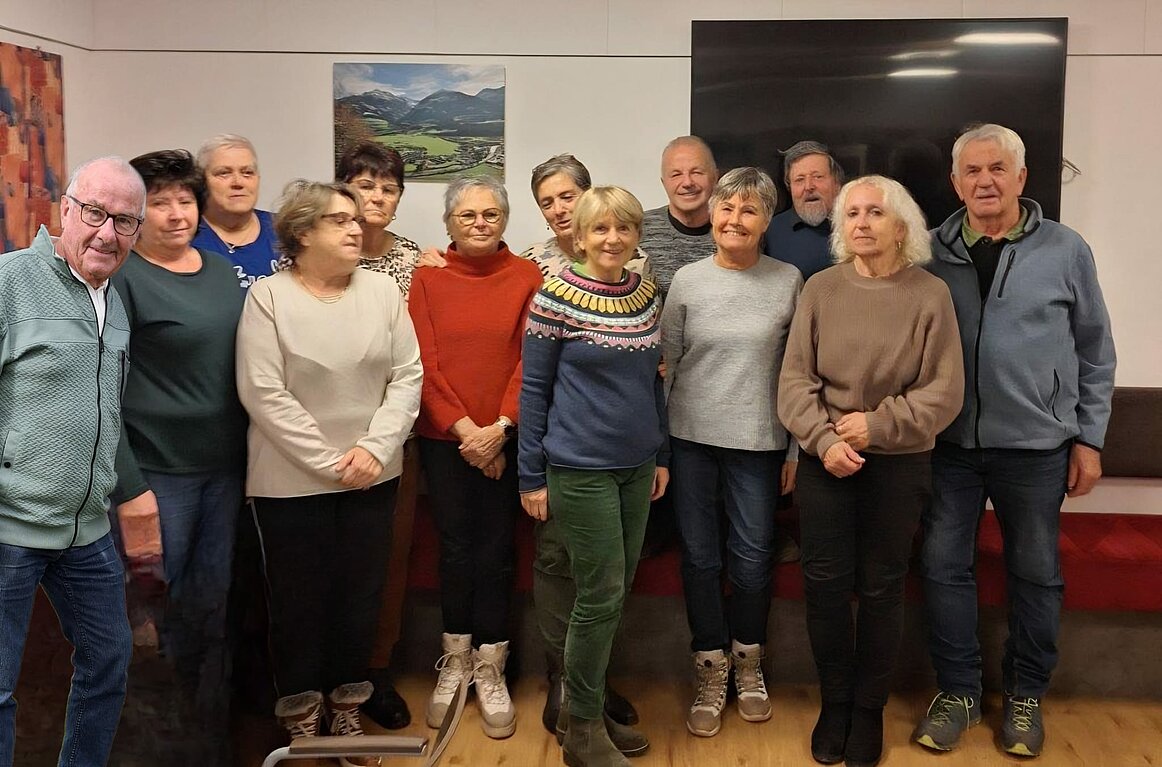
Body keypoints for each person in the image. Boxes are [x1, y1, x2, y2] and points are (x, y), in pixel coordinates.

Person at [914, 124, 1116, 759]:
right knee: (942, 565)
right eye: (972, 171)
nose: (985, 181)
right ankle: (958, 691)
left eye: (998, 168)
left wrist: (1089, 438)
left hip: (1036, 447)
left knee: (1036, 572)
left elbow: (1095, 351)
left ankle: (1026, 695)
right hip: (948, 446)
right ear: (955, 183)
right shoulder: (928, 251)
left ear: (1022, 178)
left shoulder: (1066, 249)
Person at [778, 175, 964, 767]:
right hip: (826, 462)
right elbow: (794, 381)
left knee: (883, 588)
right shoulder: (820, 288)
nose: (861, 223)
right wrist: (823, 440)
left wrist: (878, 426)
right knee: (825, 587)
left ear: (901, 226)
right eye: (851, 213)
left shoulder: (930, 294)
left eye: (875, 212)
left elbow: (944, 391)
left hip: (899, 464)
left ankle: (868, 709)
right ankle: (835, 705)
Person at [235, 180, 421, 764]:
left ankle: (346, 712)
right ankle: (302, 720)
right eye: (339, 220)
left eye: (355, 219)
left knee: (360, 599)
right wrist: (331, 461)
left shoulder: (382, 291)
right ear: (302, 233)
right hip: (290, 482)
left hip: (374, 475)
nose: (355, 227)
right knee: (298, 603)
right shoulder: (268, 297)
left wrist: (373, 451)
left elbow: (407, 377)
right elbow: (263, 392)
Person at [0, 156, 148, 767]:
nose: (107, 233)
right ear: (64, 209)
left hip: (86, 531)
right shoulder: (10, 282)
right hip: (9, 526)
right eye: (94, 213)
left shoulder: (115, 301)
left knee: (109, 661)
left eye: (125, 221)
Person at [519, 186, 669, 767]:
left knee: (615, 593)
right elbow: (534, 392)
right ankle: (582, 730)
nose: (613, 239)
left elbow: (652, 382)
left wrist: (660, 454)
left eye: (624, 228)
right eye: (600, 229)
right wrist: (531, 478)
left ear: (637, 236)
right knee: (598, 596)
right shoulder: (553, 297)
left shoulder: (645, 294)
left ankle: (579, 713)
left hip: (637, 467)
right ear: (579, 237)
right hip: (579, 469)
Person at [108, 149, 246, 765]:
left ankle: (206, 741)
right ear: (137, 214)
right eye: (158, 203)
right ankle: (150, 748)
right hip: (157, 477)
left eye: (184, 201)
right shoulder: (123, 279)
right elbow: (100, 390)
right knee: (150, 617)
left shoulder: (219, 272)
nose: (174, 214)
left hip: (225, 471)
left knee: (210, 608)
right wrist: (129, 486)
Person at [661, 167, 802, 738]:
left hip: (759, 443)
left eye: (748, 210)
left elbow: (798, 371)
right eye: (726, 208)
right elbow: (668, 366)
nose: (734, 220)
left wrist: (794, 450)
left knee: (752, 557)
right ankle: (710, 666)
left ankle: (748, 661)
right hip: (690, 440)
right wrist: (660, 450)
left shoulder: (789, 280)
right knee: (699, 558)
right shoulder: (688, 281)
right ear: (712, 215)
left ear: (766, 221)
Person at [408, 177, 542, 740]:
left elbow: (529, 361)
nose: (480, 223)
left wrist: (498, 432)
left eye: (490, 214)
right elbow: (422, 361)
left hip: (506, 437)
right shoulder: (427, 277)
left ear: (505, 220)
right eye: (467, 215)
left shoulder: (528, 277)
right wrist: (469, 435)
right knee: (455, 549)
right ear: (449, 223)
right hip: (446, 440)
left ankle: (491, 665)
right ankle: (455, 660)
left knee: (496, 552)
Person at [332, 142, 423, 730]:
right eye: (365, 185)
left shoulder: (415, 261)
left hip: (394, 434)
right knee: (326, 559)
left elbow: (417, 357)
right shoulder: (311, 256)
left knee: (386, 558)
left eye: (388, 189)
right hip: (321, 436)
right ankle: (320, 674)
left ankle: (375, 669)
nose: (376, 197)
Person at [191, 133, 279, 288]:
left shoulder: (285, 229)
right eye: (224, 173)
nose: (238, 182)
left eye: (247, 173)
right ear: (201, 181)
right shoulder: (186, 236)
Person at [639, 136, 718, 300]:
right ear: (664, 183)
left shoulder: (734, 232)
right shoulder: (637, 230)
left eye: (697, 172)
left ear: (715, 177)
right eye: (676, 175)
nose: (687, 182)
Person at [762, 140, 844, 280]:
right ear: (790, 188)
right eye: (799, 179)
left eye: (818, 177)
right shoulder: (769, 231)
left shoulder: (855, 226)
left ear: (837, 183)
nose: (808, 186)